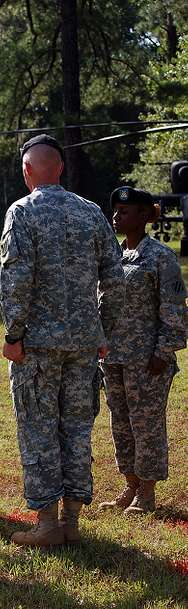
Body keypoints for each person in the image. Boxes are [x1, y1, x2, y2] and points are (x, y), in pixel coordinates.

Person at [0, 134, 125, 547]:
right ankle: (71, 520)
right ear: (61, 168)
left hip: (38, 345)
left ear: (27, 171)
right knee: (76, 428)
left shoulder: (23, 211)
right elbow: (114, 280)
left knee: (38, 429)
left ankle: (48, 524)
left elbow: (16, 281)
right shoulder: (90, 212)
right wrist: (102, 330)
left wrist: (13, 334)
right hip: (84, 344)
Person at [99, 186, 187, 515]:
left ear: (143, 216)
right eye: (115, 211)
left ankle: (147, 493)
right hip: (114, 357)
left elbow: (175, 307)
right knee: (121, 424)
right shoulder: (113, 256)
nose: (117, 217)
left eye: (124, 212)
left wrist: (163, 352)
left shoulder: (160, 256)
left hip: (147, 359)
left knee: (146, 424)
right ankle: (131, 484)